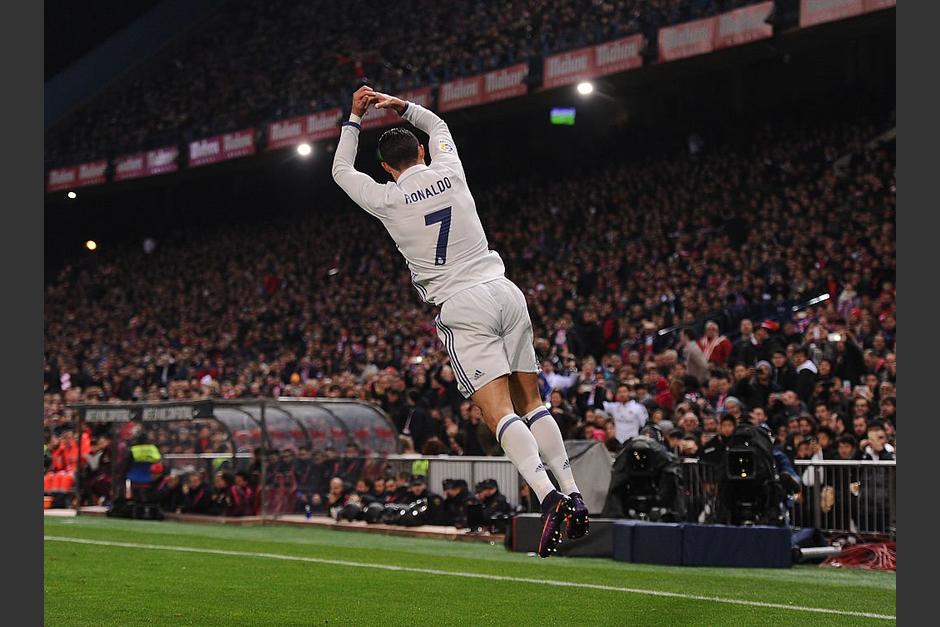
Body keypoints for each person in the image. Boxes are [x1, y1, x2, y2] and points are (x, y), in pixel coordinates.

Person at [331, 86, 587, 557]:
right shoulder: (449, 168)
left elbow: (341, 171)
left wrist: (354, 118)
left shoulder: (387, 199)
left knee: (499, 413)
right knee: (533, 402)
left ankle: (548, 498)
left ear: (386, 168)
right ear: (422, 152)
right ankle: (573, 492)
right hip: (505, 289)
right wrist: (398, 105)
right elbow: (438, 124)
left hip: (461, 303)